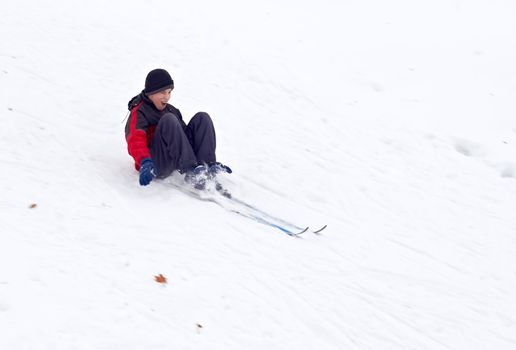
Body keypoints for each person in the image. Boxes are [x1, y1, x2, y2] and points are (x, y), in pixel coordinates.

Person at [125, 68, 231, 188]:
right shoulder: (140, 112)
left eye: (169, 92)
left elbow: (182, 138)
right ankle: (191, 171)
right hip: (154, 164)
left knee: (202, 117)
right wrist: (145, 161)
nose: (167, 97)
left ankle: (206, 166)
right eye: (162, 92)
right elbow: (135, 139)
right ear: (151, 92)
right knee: (168, 119)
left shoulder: (171, 109)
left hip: (172, 158)